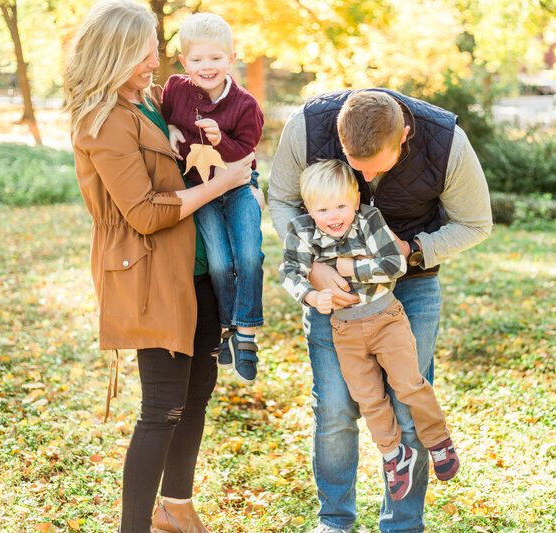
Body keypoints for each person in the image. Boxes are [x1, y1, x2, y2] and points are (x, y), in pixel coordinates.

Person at [64, 1, 254, 531]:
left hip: (196, 265)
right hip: (149, 272)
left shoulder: (149, 101)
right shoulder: (102, 122)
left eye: (155, 52)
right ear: (115, 55)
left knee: (196, 393)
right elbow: (145, 213)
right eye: (145, 55)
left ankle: (176, 507)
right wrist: (223, 183)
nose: (155, 63)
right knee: (163, 406)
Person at [268, 89, 493, 532]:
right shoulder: (307, 127)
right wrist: (313, 269)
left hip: (411, 282)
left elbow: (475, 223)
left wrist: (412, 250)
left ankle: (402, 526)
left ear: (404, 136)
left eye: (377, 166)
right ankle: (335, 521)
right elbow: (282, 201)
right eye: (357, 165)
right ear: (339, 138)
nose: (366, 176)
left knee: (407, 401)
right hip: (334, 293)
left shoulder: (446, 142)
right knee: (335, 407)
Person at [279, 159, 460, 502]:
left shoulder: (368, 220)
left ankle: (438, 439)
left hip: (385, 318)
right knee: (368, 398)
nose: (333, 216)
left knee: (408, 384)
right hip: (345, 328)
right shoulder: (302, 230)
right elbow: (289, 271)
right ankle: (394, 454)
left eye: (341, 206)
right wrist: (312, 296)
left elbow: (395, 263)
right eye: (322, 209)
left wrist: (350, 267)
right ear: (308, 208)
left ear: (356, 200)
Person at [162, 12, 265, 385]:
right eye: (197, 59)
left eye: (216, 58)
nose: (207, 66)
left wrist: (222, 141)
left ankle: (247, 333)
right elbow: (164, 114)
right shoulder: (176, 90)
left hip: (237, 184)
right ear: (184, 61)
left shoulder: (245, 105)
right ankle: (227, 328)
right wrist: (171, 126)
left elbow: (247, 151)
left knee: (248, 255)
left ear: (231, 59)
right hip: (200, 187)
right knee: (220, 263)